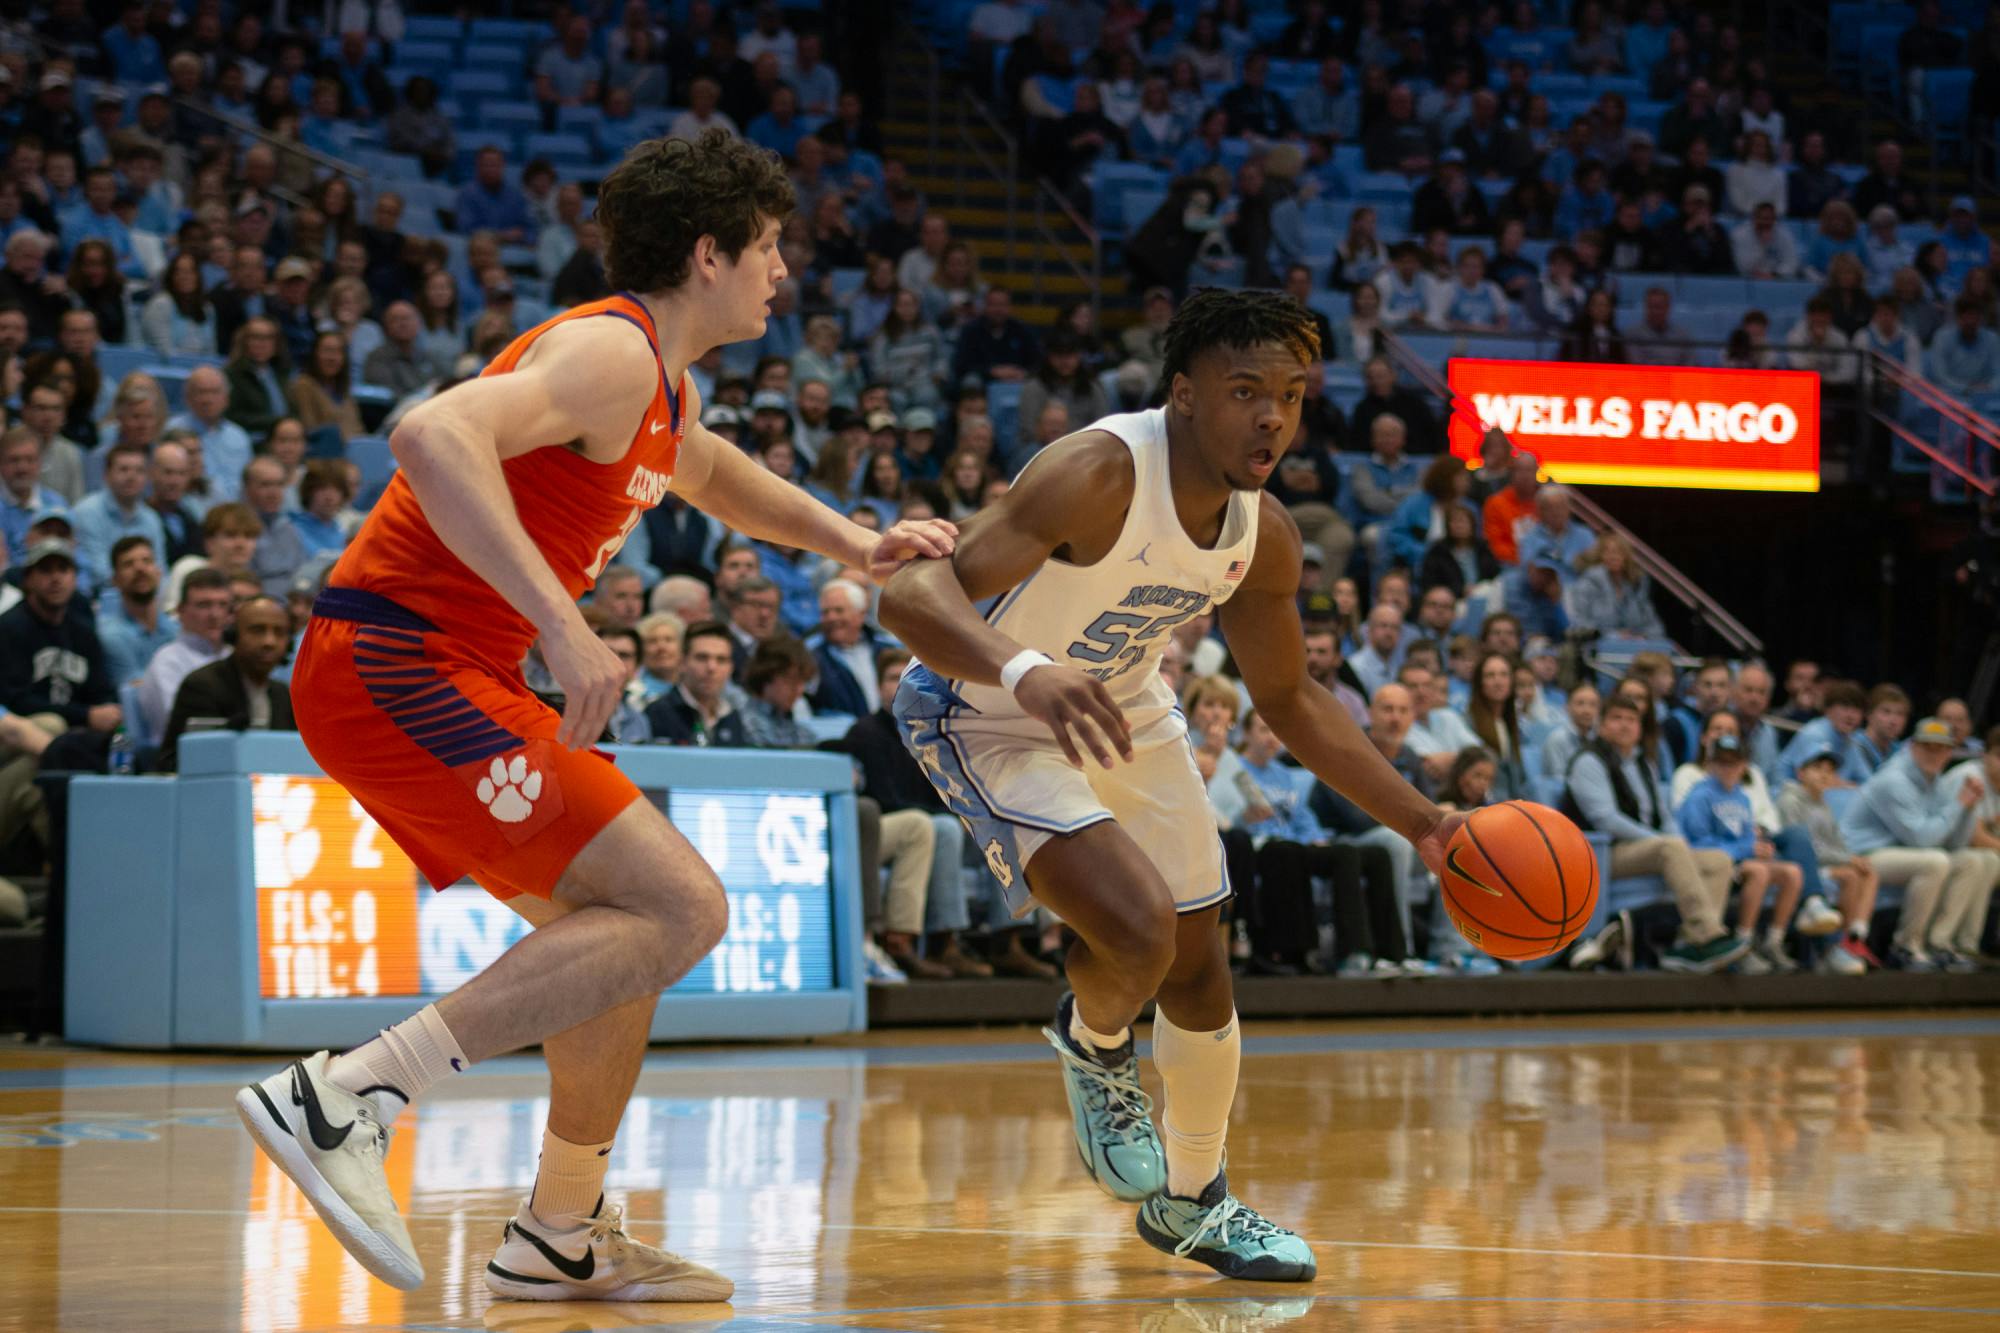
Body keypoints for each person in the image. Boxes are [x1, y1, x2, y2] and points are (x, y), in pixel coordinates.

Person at [234, 130, 956, 1302]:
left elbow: (713, 474)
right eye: (770, 247)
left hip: (429, 666)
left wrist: (855, 542)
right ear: (710, 252)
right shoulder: (611, 351)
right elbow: (430, 433)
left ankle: (558, 1233)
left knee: (624, 936)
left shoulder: (663, 385)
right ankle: (346, 1094)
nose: (784, 271)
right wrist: (563, 627)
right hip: (395, 661)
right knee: (681, 905)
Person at [881, 289, 1470, 1281]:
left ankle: (1194, 1203)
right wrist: (1024, 669)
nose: (1272, 417)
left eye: (1288, 394)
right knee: (1141, 928)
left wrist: (1425, 822)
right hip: (982, 706)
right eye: (1245, 390)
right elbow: (909, 594)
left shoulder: (1262, 534)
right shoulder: (1097, 472)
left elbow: (1288, 697)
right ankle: (1093, 1040)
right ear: (1184, 394)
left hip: (1118, 702)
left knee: (1200, 961)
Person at [1561, 695, 1746, 972]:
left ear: (1640, 728)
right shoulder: (1588, 761)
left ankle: (1688, 947)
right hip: (1601, 854)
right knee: (1668, 848)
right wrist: (1659, 840)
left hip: (1646, 849)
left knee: (1718, 860)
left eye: (1632, 720)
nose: (1625, 726)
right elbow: (1605, 819)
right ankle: (1708, 934)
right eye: (1617, 719)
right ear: (1602, 726)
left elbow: (1665, 817)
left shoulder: (1644, 764)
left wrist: (1678, 841)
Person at [1840, 717, 1996, 972]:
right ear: (1912, 746)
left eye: (1942, 748)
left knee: (1978, 861)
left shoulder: (1932, 780)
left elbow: (1953, 842)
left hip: (1901, 853)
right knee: (1934, 862)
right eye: (1927, 746)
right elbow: (1923, 840)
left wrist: (1969, 808)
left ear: (1950, 752)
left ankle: (1944, 943)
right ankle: (1905, 947)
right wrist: (1959, 804)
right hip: (1863, 855)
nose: (1934, 753)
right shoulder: (1895, 779)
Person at [1676, 733, 1807, 973]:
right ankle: (1743, 945)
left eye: (1734, 763)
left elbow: (1747, 836)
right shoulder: (1699, 796)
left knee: (1792, 872)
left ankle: (1773, 942)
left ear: (1744, 765)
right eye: (1722, 762)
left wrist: (1760, 847)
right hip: (1711, 864)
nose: (1728, 769)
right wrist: (1747, 848)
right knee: (1758, 872)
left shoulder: (1742, 797)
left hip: (1741, 860)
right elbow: (1697, 843)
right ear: (1710, 764)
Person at [157, 592, 294, 771]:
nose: (269, 641)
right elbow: (184, 763)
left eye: (279, 632)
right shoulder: (202, 686)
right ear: (233, 635)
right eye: (257, 630)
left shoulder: (283, 694)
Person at [0, 536, 120, 736]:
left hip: (76, 732)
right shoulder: (9, 628)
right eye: (46, 570)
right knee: (53, 725)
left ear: (74, 578)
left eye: (63, 569)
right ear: (28, 579)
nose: (56, 578)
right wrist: (85, 715)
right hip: (22, 733)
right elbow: (17, 702)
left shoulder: (83, 632)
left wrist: (107, 712)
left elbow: (101, 691)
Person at [1777, 751, 1883, 973]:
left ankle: (1855, 938)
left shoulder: (1823, 805)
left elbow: (1838, 844)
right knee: (1850, 875)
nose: (1824, 775)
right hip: (1804, 869)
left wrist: (1852, 858)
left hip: (1827, 865)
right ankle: (1835, 947)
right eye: (1817, 769)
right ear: (1800, 772)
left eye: (1830, 771)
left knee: (1868, 871)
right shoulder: (1790, 800)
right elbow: (1803, 848)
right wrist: (1847, 859)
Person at [135, 566, 233, 740]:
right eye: (204, 605)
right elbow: (180, 728)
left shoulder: (234, 656)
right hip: (181, 759)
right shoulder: (167, 661)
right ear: (180, 611)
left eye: (223, 605)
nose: (215, 614)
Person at [97, 535, 177, 686]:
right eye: (128, 564)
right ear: (115, 580)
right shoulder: (110, 634)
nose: (140, 568)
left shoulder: (175, 629)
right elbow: (134, 692)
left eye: (147, 561)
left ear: (159, 573)